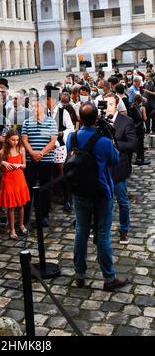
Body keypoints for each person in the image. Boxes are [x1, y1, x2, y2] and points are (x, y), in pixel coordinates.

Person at [66, 102, 129, 291]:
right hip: (102, 192)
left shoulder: (73, 137)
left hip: (79, 191)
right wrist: (109, 136)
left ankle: (80, 275)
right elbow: (115, 160)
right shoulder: (103, 142)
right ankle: (109, 278)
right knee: (103, 235)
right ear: (96, 119)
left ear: (79, 118)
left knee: (81, 232)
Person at [103, 93, 137, 245]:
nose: (107, 107)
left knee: (122, 201)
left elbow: (132, 143)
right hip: (102, 169)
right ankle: (101, 229)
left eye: (110, 104)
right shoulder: (99, 121)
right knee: (103, 202)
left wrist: (114, 145)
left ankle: (124, 230)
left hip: (118, 169)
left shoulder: (126, 121)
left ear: (116, 105)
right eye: (105, 104)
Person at [22, 96, 57, 227]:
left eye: (37, 106)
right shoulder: (27, 122)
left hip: (46, 159)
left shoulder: (51, 122)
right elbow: (24, 140)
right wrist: (32, 153)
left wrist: (41, 153)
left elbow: (53, 141)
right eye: (32, 106)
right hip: (31, 160)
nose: (34, 109)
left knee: (45, 188)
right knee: (28, 187)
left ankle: (44, 215)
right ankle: (26, 216)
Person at [0, 130, 30, 240]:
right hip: (8, 179)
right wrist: (3, 162)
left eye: (17, 140)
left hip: (19, 178)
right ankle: (12, 229)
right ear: (7, 139)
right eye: (13, 140)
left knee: (21, 205)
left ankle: (21, 224)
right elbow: (1, 169)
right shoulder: (3, 152)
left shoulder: (21, 149)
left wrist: (18, 164)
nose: (15, 142)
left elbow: (24, 165)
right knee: (11, 207)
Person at [129, 94, 150, 166]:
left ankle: (138, 158)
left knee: (137, 142)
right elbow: (144, 118)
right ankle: (140, 158)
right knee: (140, 143)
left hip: (134, 127)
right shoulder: (142, 108)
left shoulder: (131, 106)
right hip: (140, 127)